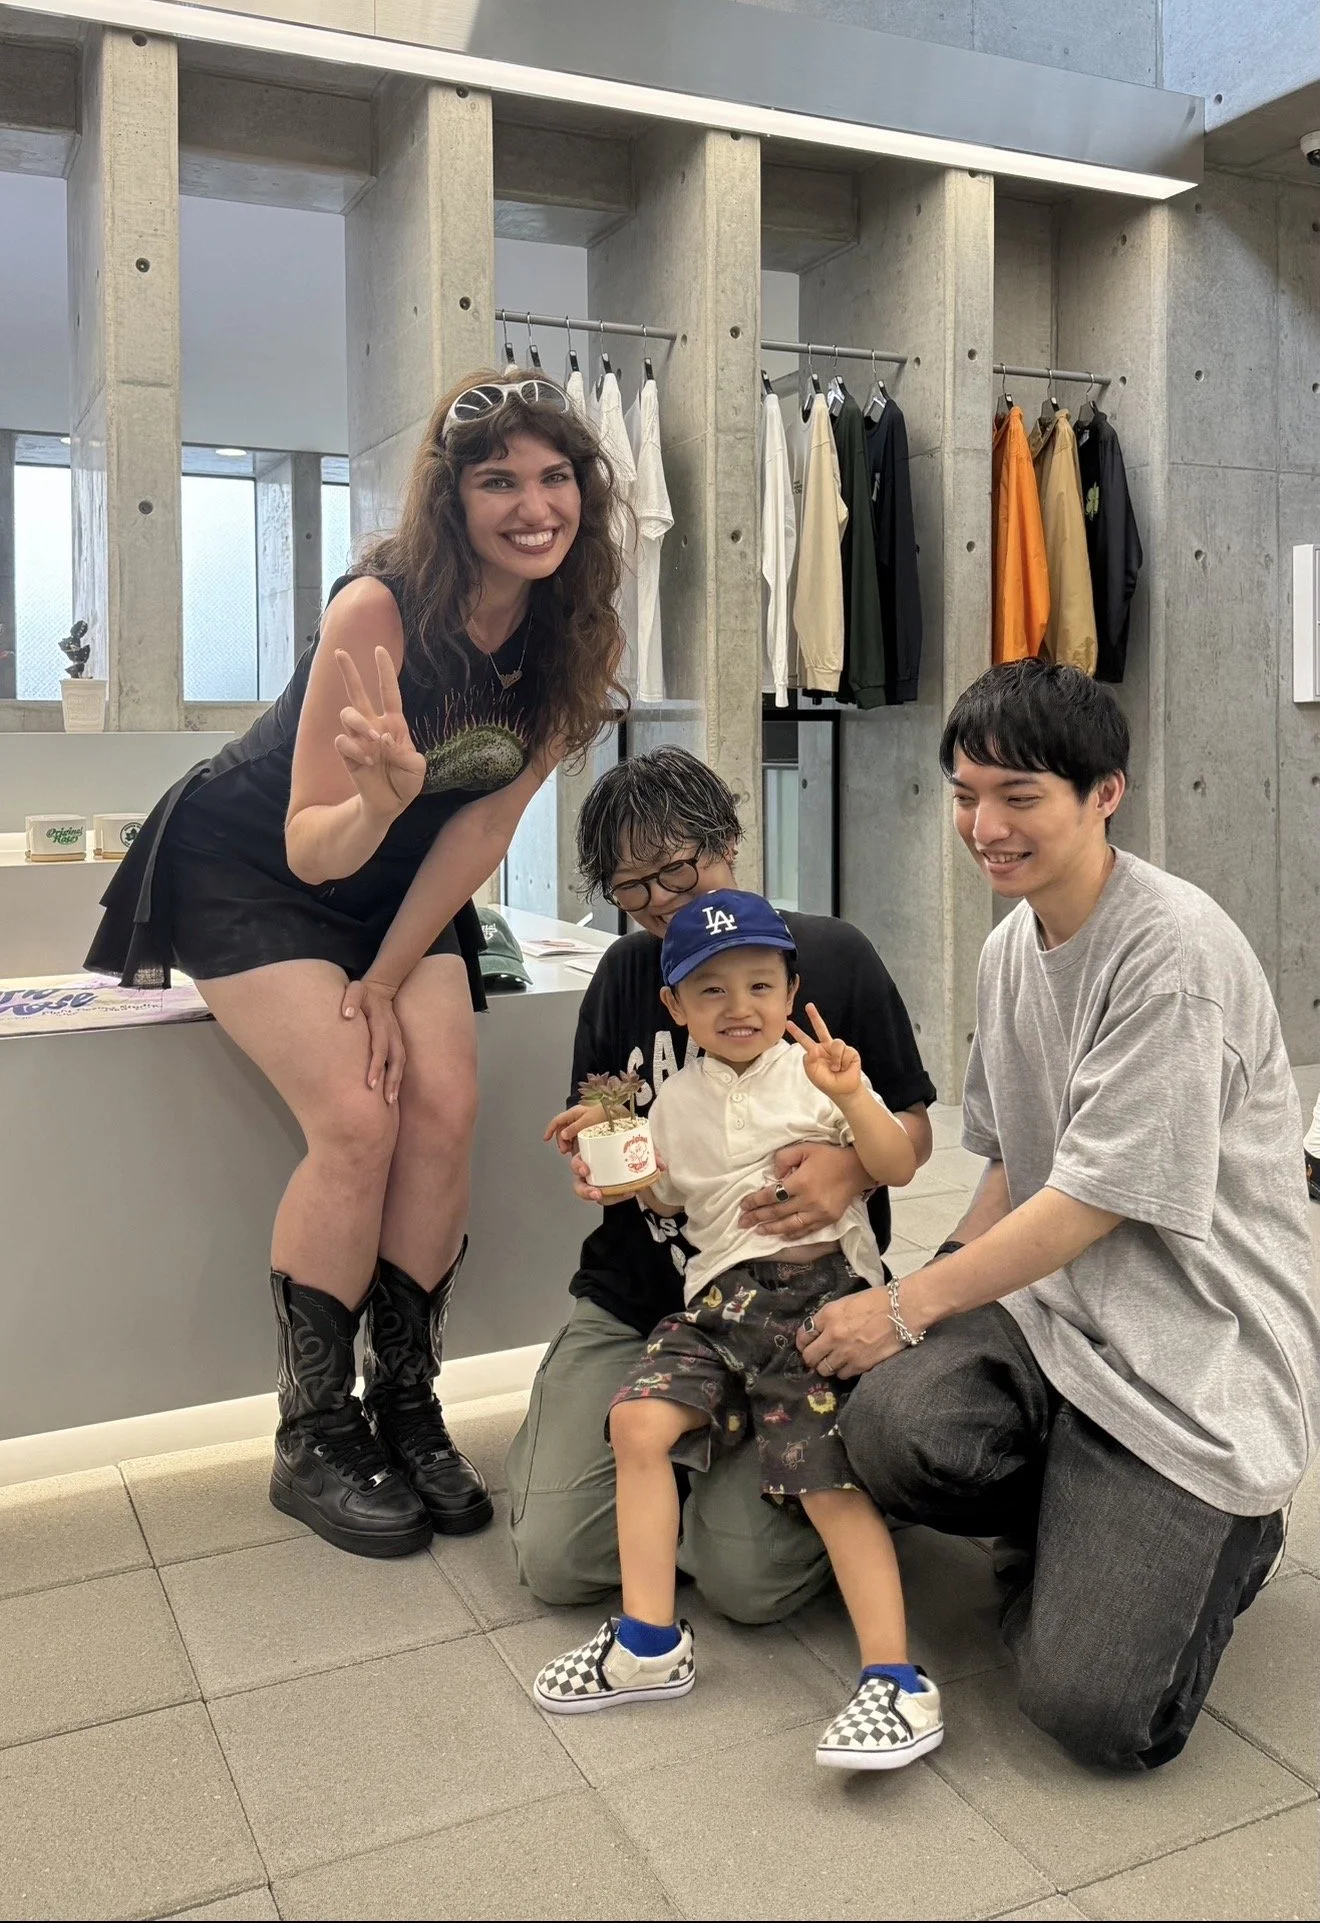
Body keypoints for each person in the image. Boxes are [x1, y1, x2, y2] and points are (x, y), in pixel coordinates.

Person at [88, 375, 624, 1559]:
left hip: (404, 886)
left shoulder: (577, 632)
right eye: (498, 481)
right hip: (258, 868)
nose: (533, 507)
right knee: (358, 1114)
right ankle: (314, 1433)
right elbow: (308, 839)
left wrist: (385, 977)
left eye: (553, 478)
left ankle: (407, 1402)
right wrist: (382, 799)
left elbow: (483, 829)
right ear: (453, 496)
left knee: (447, 1105)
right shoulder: (378, 611)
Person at [801, 659, 1320, 1770]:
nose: (984, 825)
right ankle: (1087, 1506)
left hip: (1194, 1347)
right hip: (1056, 1317)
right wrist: (925, 1299)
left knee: (1092, 1712)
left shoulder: (1169, 953)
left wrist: (902, 1304)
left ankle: (1232, 1533)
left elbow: (1085, 1203)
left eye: (1019, 796)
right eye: (965, 793)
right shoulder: (1008, 949)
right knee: (890, 1423)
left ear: (1105, 795)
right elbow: (1012, 1166)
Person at [506, 746, 935, 1620]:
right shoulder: (629, 974)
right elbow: (609, 1108)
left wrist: (849, 1166)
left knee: (749, 1582)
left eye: (677, 869)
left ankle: (812, 1470)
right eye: (633, 889)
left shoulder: (832, 958)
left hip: (799, 1306)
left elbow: (917, 1131)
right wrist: (603, 1146)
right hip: (645, 1302)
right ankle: (686, 1458)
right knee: (556, 1560)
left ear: (729, 841)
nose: (662, 903)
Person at [531, 890, 944, 1771]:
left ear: (792, 991)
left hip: (815, 1296)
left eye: (762, 984)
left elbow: (902, 1157)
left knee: (825, 1480)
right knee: (636, 1419)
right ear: (674, 1008)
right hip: (713, 1304)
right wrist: (617, 1170)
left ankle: (897, 1679)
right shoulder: (673, 1100)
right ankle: (649, 1642)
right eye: (710, 992)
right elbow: (669, 1196)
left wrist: (853, 1100)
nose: (740, 1006)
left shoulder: (819, 1075)